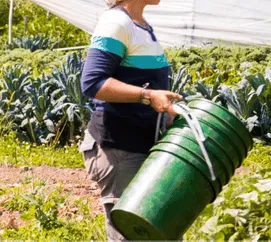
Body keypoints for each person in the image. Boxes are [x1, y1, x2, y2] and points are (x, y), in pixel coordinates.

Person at [77, 0, 181, 240]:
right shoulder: (116, 22)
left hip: (142, 145)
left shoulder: (141, 25)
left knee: (160, 231)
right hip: (119, 148)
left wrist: (165, 109)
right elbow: (93, 82)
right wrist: (147, 96)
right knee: (132, 235)